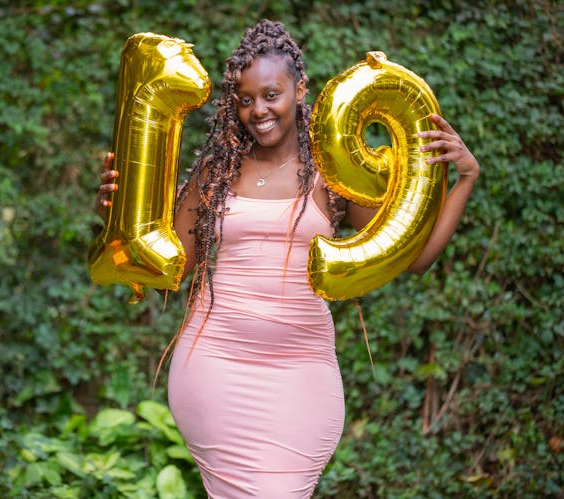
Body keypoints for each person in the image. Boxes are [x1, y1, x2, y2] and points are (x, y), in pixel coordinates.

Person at [95, 19, 479, 498]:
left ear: (300, 90)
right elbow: (172, 264)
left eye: (271, 94)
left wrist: (465, 179)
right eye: (245, 99)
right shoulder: (218, 170)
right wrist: (117, 215)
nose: (258, 110)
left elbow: (415, 258)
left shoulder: (332, 174)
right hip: (215, 365)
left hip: (302, 373)